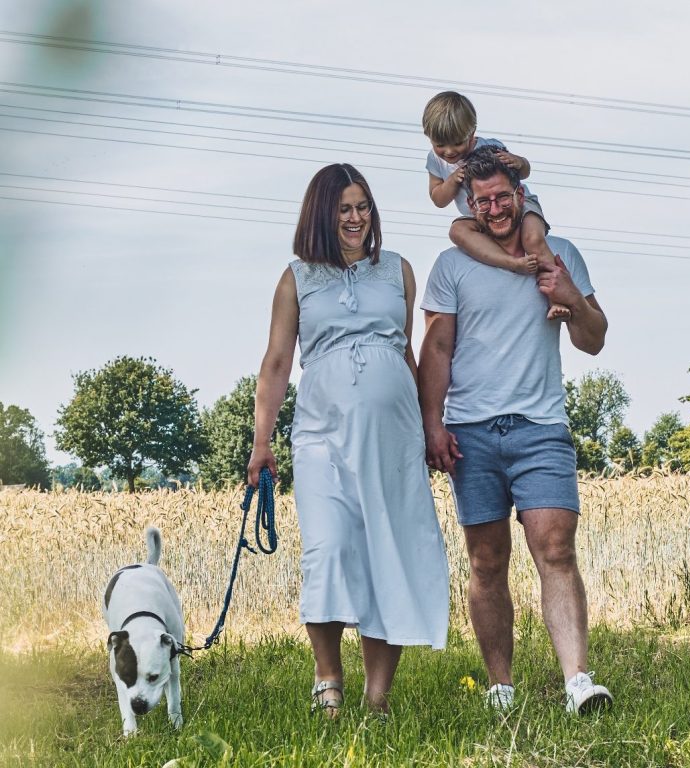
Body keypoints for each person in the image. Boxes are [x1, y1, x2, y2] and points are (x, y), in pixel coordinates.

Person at [248, 163, 449, 719]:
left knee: (390, 550)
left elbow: (407, 352)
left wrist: (432, 424)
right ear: (322, 214)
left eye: (363, 206)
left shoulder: (398, 271)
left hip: (393, 438)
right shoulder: (297, 278)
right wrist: (260, 441)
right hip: (321, 436)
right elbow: (277, 362)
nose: (357, 218)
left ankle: (378, 697)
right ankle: (328, 673)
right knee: (329, 548)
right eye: (344, 209)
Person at [418, 145, 613, 715]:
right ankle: (501, 688)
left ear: (522, 197)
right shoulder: (451, 266)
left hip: (541, 426)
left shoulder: (561, 252)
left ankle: (578, 681)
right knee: (486, 562)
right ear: (469, 205)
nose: (495, 208)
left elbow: (594, 338)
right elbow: (438, 350)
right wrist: (433, 424)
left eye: (504, 197)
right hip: (471, 431)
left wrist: (568, 294)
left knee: (555, 548)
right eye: (483, 201)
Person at [422, 90, 569, 321]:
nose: (449, 152)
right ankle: (511, 263)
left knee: (532, 240)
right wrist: (452, 181)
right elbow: (438, 199)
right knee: (457, 231)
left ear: (472, 133)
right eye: (440, 145)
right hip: (480, 215)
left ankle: (557, 299)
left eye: (458, 143)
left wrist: (519, 162)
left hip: (518, 206)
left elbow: (524, 172)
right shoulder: (435, 160)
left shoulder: (491, 145)